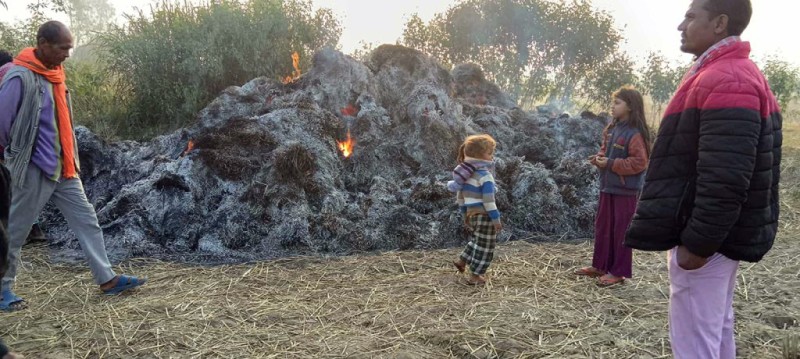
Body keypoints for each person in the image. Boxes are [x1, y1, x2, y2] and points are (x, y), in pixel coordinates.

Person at [624, 0, 782, 357]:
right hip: (717, 237)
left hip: (708, 239)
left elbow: (725, 174)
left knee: (696, 340)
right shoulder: (729, 72)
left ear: (720, 23)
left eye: (692, 16)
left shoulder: (727, 78)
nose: (681, 25)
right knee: (714, 328)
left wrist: (698, 243)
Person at [0, 21, 146, 312]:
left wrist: (71, 160)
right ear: (42, 43)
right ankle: (2, 289)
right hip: (33, 167)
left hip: (64, 167)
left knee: (87, 221)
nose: (67, 54)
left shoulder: (54, 74)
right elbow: (2, 123)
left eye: (70, 48)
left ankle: (107, 279)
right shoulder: (19, 76)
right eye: (63, 47)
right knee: (16, 230)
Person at [575, 86, 650, 286]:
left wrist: (610, 163)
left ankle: (618, 271)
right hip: (607, 187)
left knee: (621, 231)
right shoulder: (612, 129)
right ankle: (600, 265)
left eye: (617, 103)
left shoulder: (635, 134)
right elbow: (604, 150)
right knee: (603, 227)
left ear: (631, 107)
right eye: (613, 102)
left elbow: (639, 162)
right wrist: (599, 158)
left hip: (625, 191)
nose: (612, 106)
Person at [0, 49, 45, 246]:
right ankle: (34, 229)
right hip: (36, 140)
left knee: (13, 187)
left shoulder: (7, 76)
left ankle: (23, 232)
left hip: (12, 142)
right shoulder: (25, 73)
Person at [450, 134, 502, 286]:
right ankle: (475, 275)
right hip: (485, 216)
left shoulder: (465, 176)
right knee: (486, 246)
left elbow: (460, 197)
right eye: (490, 153)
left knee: (477, 240)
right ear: (481, 156)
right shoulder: (485, 176)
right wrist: (496, 219)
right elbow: (489, 201)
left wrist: (465, 214)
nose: (492, 156)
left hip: (472, 214)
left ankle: (461, 261)